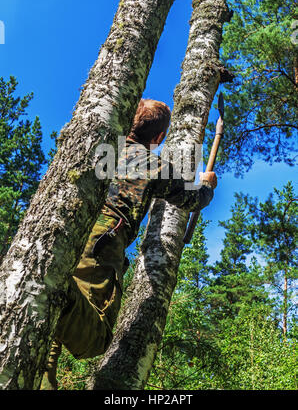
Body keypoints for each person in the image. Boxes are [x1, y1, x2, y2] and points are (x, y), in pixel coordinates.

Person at [40, 99, 217, 390]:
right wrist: (207, 184)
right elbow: (192, 199)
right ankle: (47, 284)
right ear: (159, 138)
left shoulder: (102, 148)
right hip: (102, 239)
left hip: (64, 227)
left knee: (49, 336)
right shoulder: (152, 164)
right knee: (96, 338)